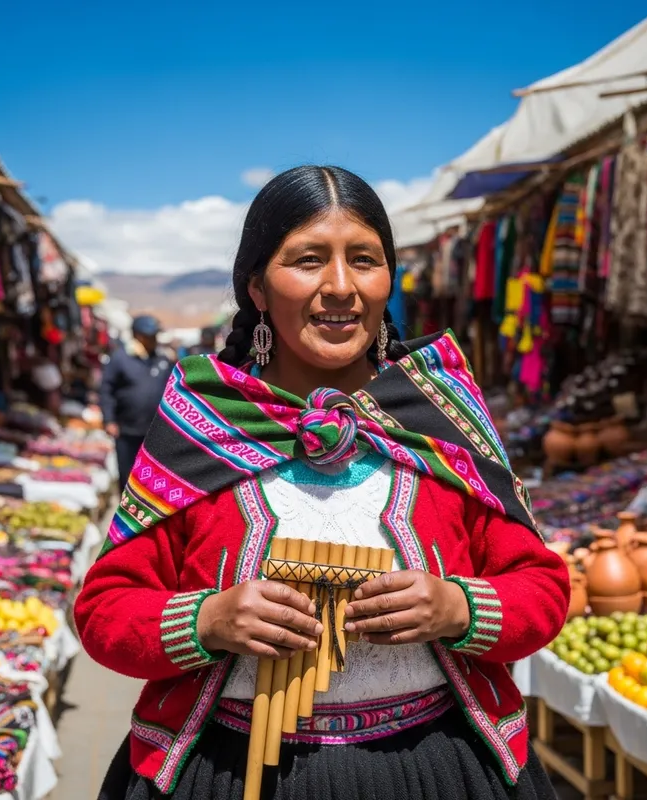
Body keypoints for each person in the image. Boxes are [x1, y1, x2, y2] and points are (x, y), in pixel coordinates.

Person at [76, 166, 569, 800]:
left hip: (436, 769)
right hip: (233, 772)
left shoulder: (439, 413)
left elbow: (542, 588)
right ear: (256, 287)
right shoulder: (202, 422)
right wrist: (209, 619)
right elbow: (104, 610)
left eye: (364, 260)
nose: (341, 287)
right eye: (308, 260)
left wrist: (456, 607)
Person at [99, 315, 173, 488]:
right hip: (127, 432)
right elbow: (106, 390)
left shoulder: (162, 360)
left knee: (155, 478)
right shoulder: (120, 359)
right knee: (128, 476)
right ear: (137, 335)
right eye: (150, 336)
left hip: (156, 432)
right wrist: (109, 420)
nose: (154, 340)